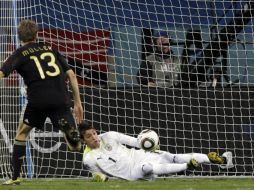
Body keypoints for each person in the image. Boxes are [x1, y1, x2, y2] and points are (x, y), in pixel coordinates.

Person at [0, 19, 83, 185]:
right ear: (37, 35)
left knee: (22, 134)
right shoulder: (50, 48)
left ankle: (15, 177)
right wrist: (78, 103)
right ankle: (69, 131)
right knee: (75, 147)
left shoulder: (19, 53)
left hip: (38, 101)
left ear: (19, 36)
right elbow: (72, 75)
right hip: (61, 99)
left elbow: (2, 73)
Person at [79, 121, 234, 181]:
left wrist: (149, 145)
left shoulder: (110, 136)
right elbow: (100, 177)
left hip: (139, 155)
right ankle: (186, 167)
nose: (94, 137)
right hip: (132, 172)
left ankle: (220, 161)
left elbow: (135, 142)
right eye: (89, 136)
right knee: (147, 168)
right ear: (83, 140)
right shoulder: (89, 158)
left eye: (94, 133)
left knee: (172, 156)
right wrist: (99, 178)